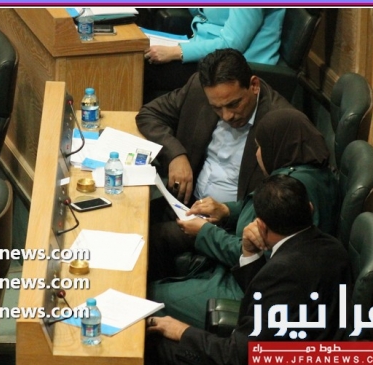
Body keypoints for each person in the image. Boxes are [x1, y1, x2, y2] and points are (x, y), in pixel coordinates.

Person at [140, 174, 351, 365]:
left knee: (154, 347)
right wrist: (249, 253)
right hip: (299, 363)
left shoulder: (284, 272)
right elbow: (270, 300)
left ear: (261, 226)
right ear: (310, 209)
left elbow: (233, 358)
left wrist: (181, 331)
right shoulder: (333, 248)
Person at [148, 109, 339, 328]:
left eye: (259, 147)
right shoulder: (310, 172)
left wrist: (205, 232)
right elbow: (260, 209)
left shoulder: (294, 187)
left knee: (151, 297)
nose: (257, 154)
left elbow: (256, 256)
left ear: (276, 146)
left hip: (247, 287)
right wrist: (226, 211)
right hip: (239, 270)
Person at [138, 48, 296, 272]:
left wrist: (225, 212)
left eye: (234, 104)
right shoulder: (199, 88)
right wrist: (176, 154)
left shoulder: (280, 123)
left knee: (146, 240)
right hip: (184, 202)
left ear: (254, 85)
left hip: (228, 224)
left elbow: (275, 206)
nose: (227, 116)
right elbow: (148, 114)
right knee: (131, 217)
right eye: (217, 108)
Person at [143, 8, 285, 103]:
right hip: (208, 50)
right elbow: (200, 11)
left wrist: (176, 52)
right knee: (140, 58)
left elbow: (232, 44)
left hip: (238, 64)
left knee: (144, 69)